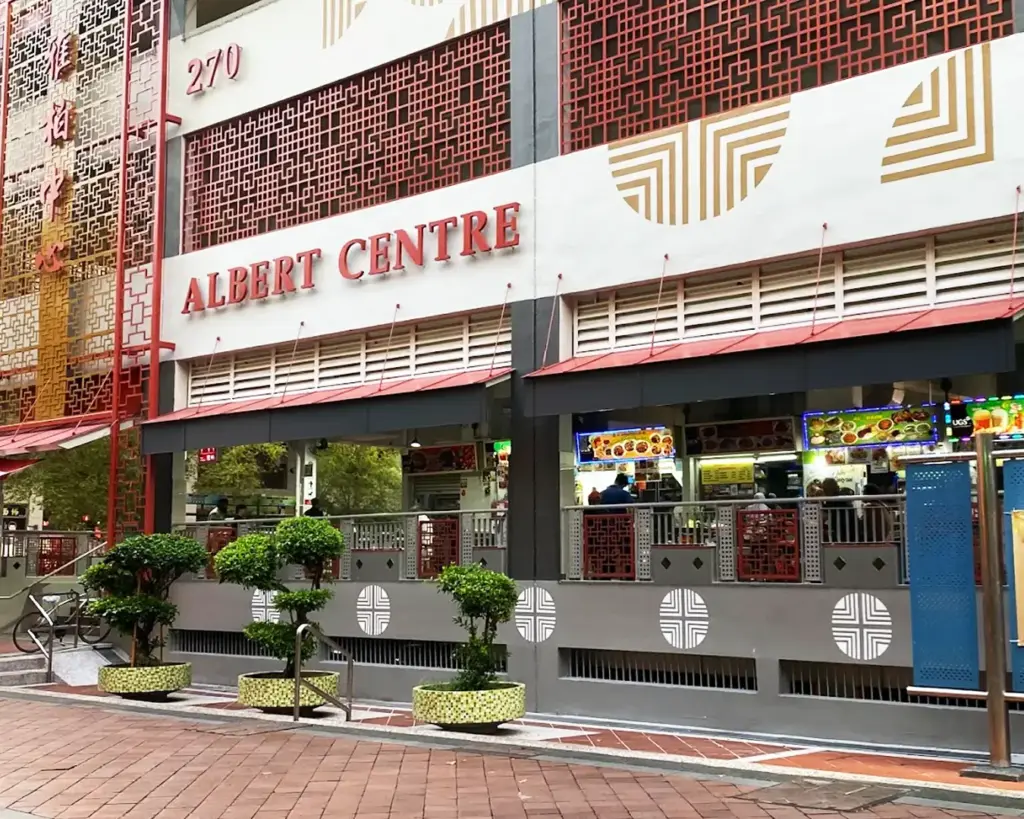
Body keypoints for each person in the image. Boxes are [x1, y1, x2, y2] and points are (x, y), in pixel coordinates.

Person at [821, 478, 852, 543]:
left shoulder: (833, 500)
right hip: (849, 529)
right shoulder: (842, 497)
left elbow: (825, 515)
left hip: (841, 530)